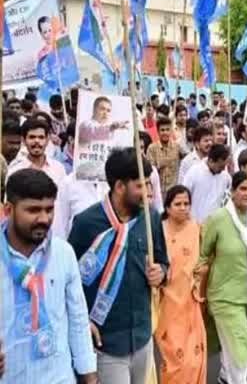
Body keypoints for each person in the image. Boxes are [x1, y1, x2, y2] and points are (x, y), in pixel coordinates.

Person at [68, 148, 169, 384]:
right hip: (106, 342)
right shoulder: (86, 223)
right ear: (119, 186)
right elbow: (69, 281)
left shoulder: (151, 217)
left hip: (142, 336)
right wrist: (83, 322)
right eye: (141, 186)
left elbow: (164, 261)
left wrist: (160, 273)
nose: (148, 193)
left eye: (149, 185)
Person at [0, 169, 98, 383]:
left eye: (49, 209)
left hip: (57, 376)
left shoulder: (63, 253)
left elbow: (78, 320)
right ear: (8, 210)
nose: (44, 219)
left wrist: (89, 377)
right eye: (33, 210)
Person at [199, 172, 247, 383]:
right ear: (231, 192)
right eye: (242, 189)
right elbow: (202, 256)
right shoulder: (218, 218)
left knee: (230, 347)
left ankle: (224, 375)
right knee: (240, 353)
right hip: (223, 297)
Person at [155, 186, 206, 384]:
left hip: (191, 301)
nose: (183, 208)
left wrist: (203, 271)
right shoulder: (158, 231)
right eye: (178, 204)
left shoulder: (196, 228)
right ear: (167, 207)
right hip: (166, 303)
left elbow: (205, 259)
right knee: (174, 361)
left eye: (186, 204)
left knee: (194, 359)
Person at [8, 119, 67, 184]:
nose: (37, 141)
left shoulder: (58, 168)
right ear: (23, 140)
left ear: (47, 140)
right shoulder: (15, 170)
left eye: (41, 137)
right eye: (32, 137)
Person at [183, 143, 232, 223]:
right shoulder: (194, 172)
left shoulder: (225, 176)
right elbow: (184, 196)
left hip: (215, 224)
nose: (223, 169)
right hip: (194, 223)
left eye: (224, 166)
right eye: (220, 166)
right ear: (211, 161)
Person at [147, 116, 184, 199]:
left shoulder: (177, 147)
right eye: (162, 130)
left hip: (173, 191)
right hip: (157, 192)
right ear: (158, 131)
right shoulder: (151, 148)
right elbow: (149, 171)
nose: (165, 133)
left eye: (167, 130)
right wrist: (160, 165)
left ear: (171, 131)